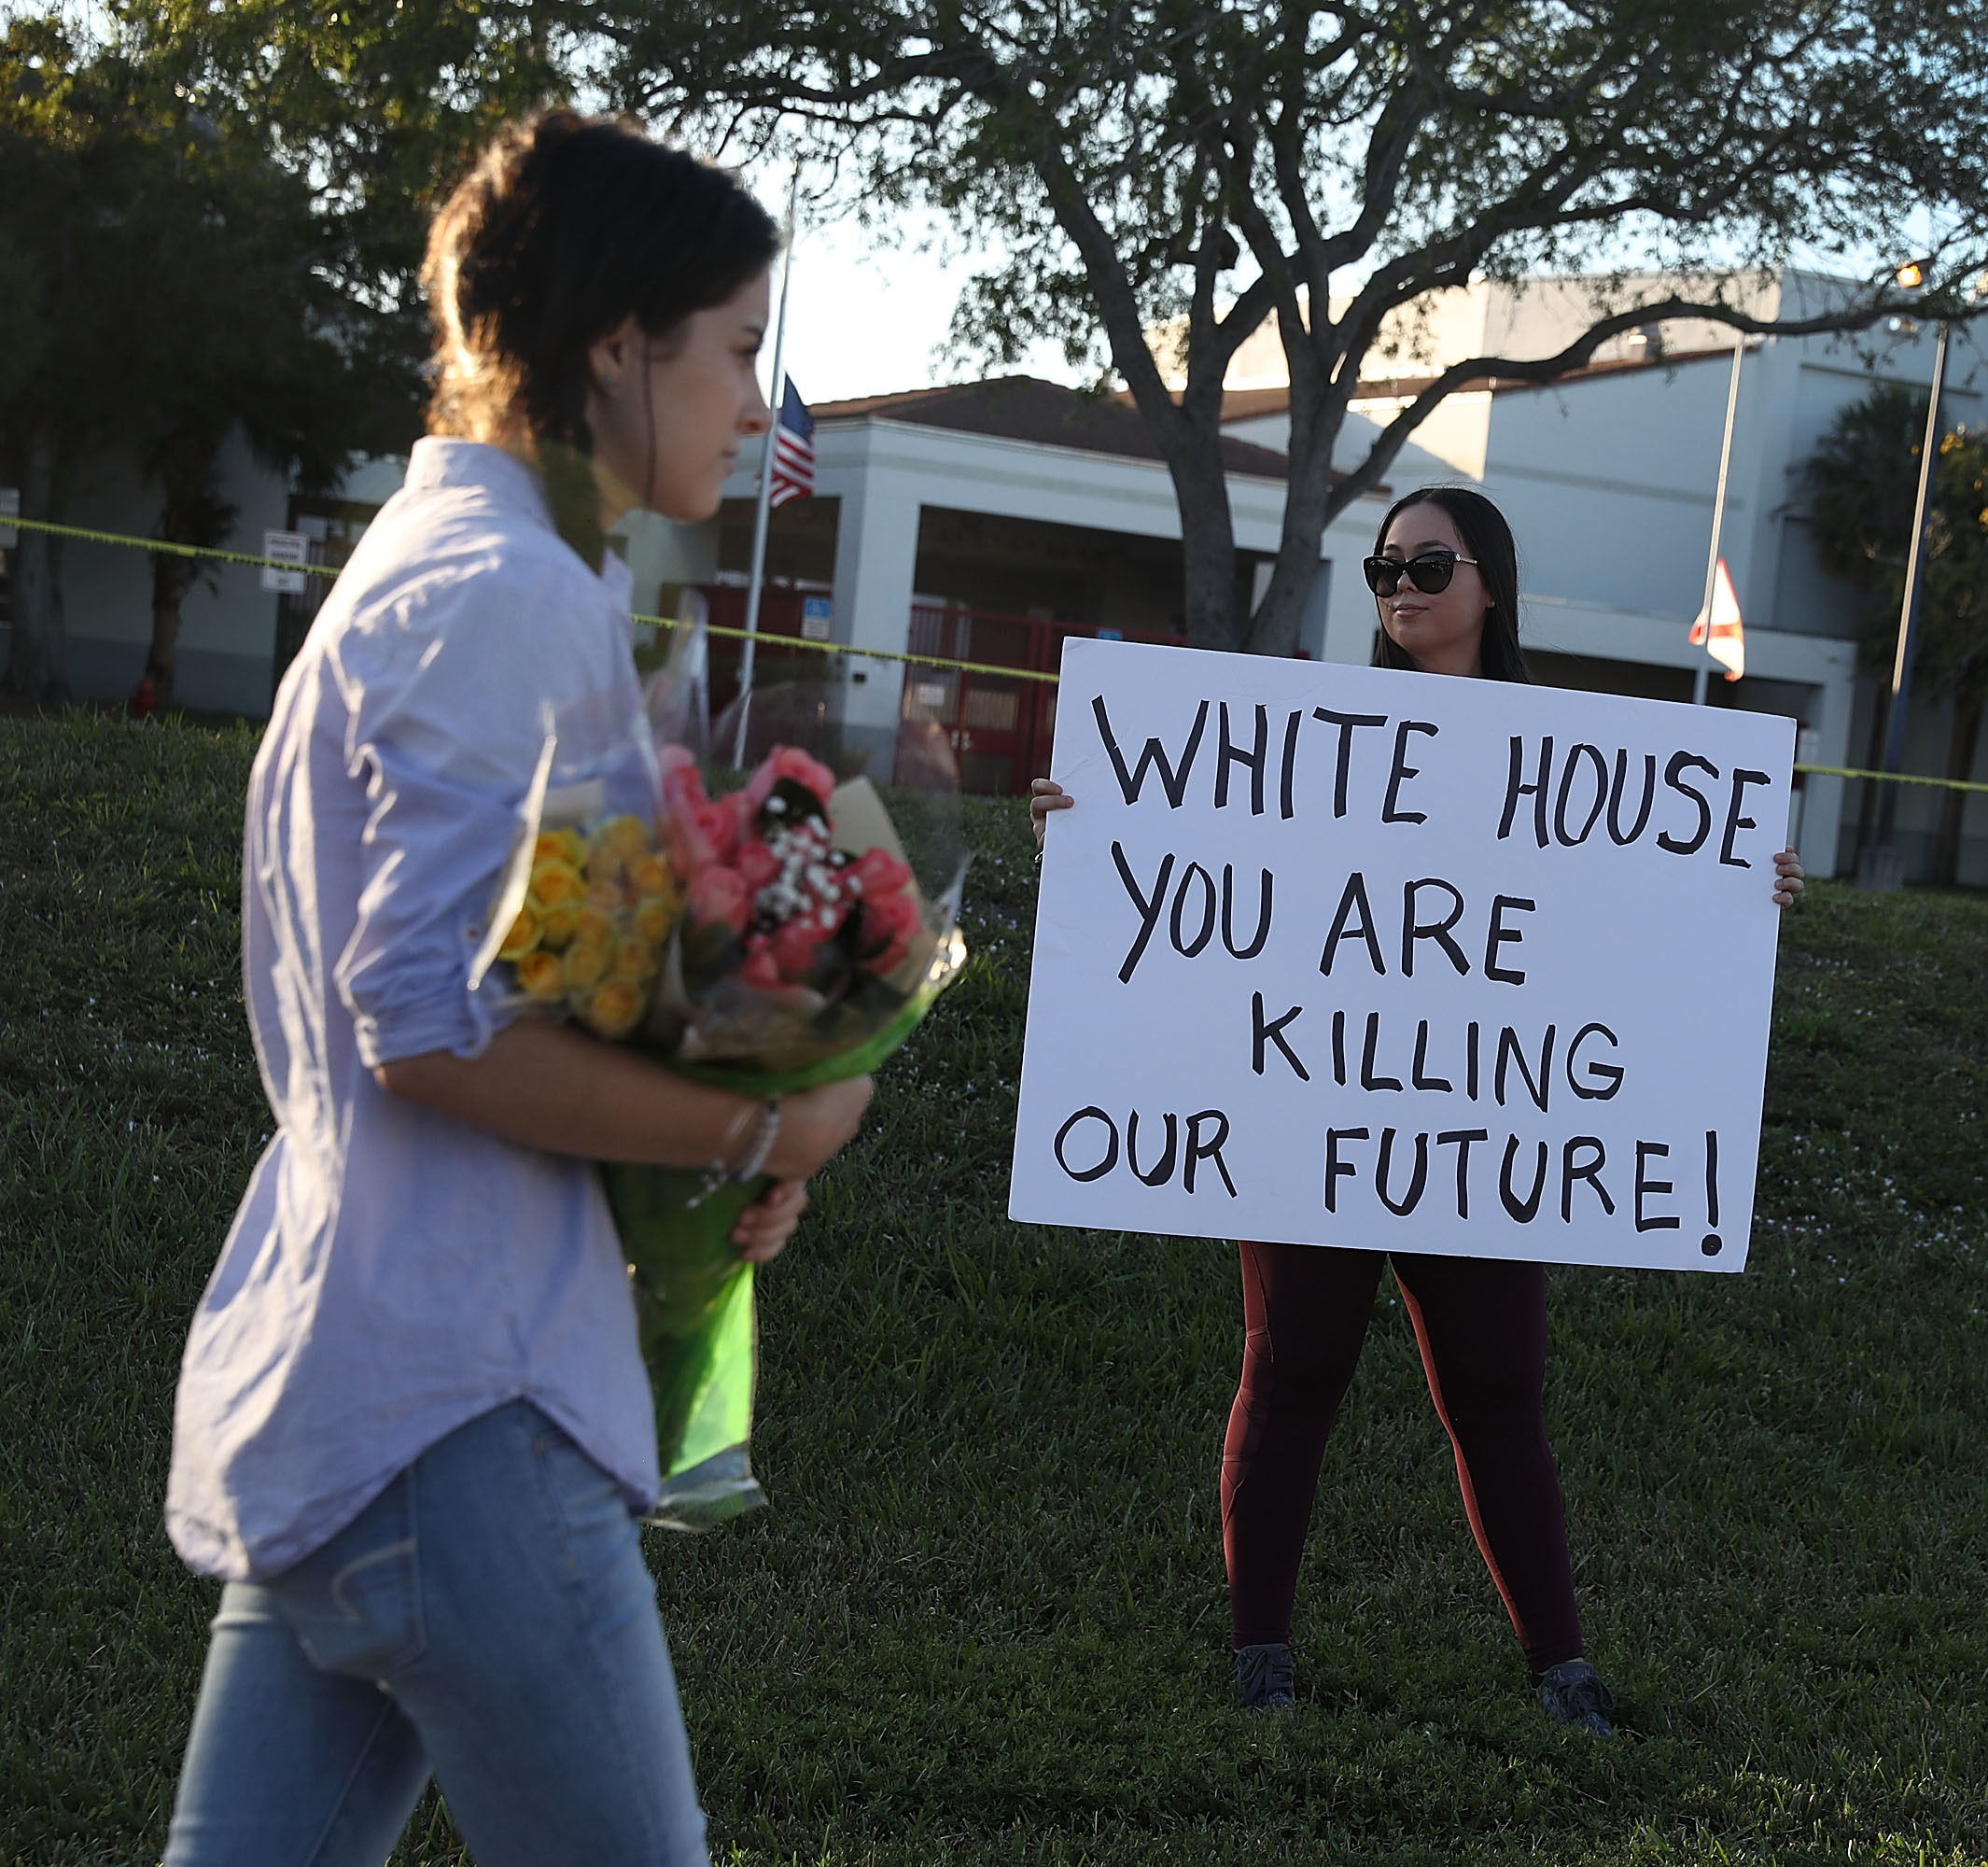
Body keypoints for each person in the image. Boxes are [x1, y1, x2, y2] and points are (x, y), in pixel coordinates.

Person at [161, 111, 875, 1866]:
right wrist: (762, 1119)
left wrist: (708, 1142)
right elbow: (434, 1027)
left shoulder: (442, 572)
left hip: (354, 1404)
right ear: (615, 347)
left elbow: (516, 996)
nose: (753, 403)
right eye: (734, 350)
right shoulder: (509, 595)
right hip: (459, 1406)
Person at [1030, 485, 1803, 1733]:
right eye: (1383, 565)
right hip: (1315, 1108)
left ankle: (1563, 1667)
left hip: (1481, 1129)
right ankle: (1260, 1654)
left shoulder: (1574, 764)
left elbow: (1627, 920)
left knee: (1500, 1394)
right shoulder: (1299, 741)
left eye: (1428, 563)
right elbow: (1203, 876)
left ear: (1490, 582)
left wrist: (1740, 886)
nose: (1400, 584)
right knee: (1289, 1372)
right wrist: (1091, 822)